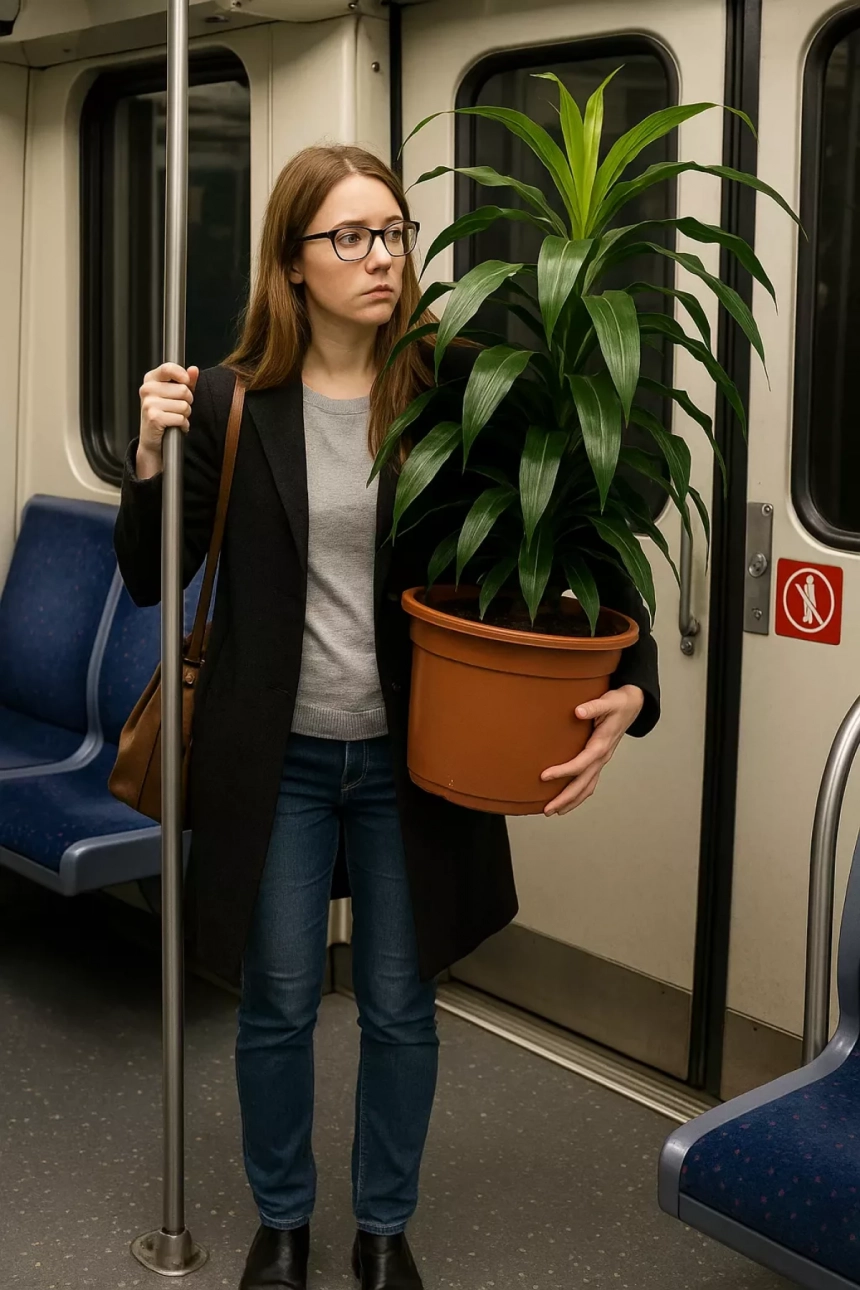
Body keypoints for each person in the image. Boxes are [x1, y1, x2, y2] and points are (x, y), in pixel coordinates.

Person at [114, 144, 660, 1290]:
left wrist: (636, 679)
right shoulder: (227, 398)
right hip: (280, 755)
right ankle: (282, 1222)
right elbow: (149, 575)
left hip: (419, 753)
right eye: (349, 238)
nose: (382, 258)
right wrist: (151, 457)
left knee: (402, 1005)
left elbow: (563, 537)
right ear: (292, 263)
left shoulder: (460, 387)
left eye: (394, 233)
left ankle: (380, 1230)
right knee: (274, 1001)